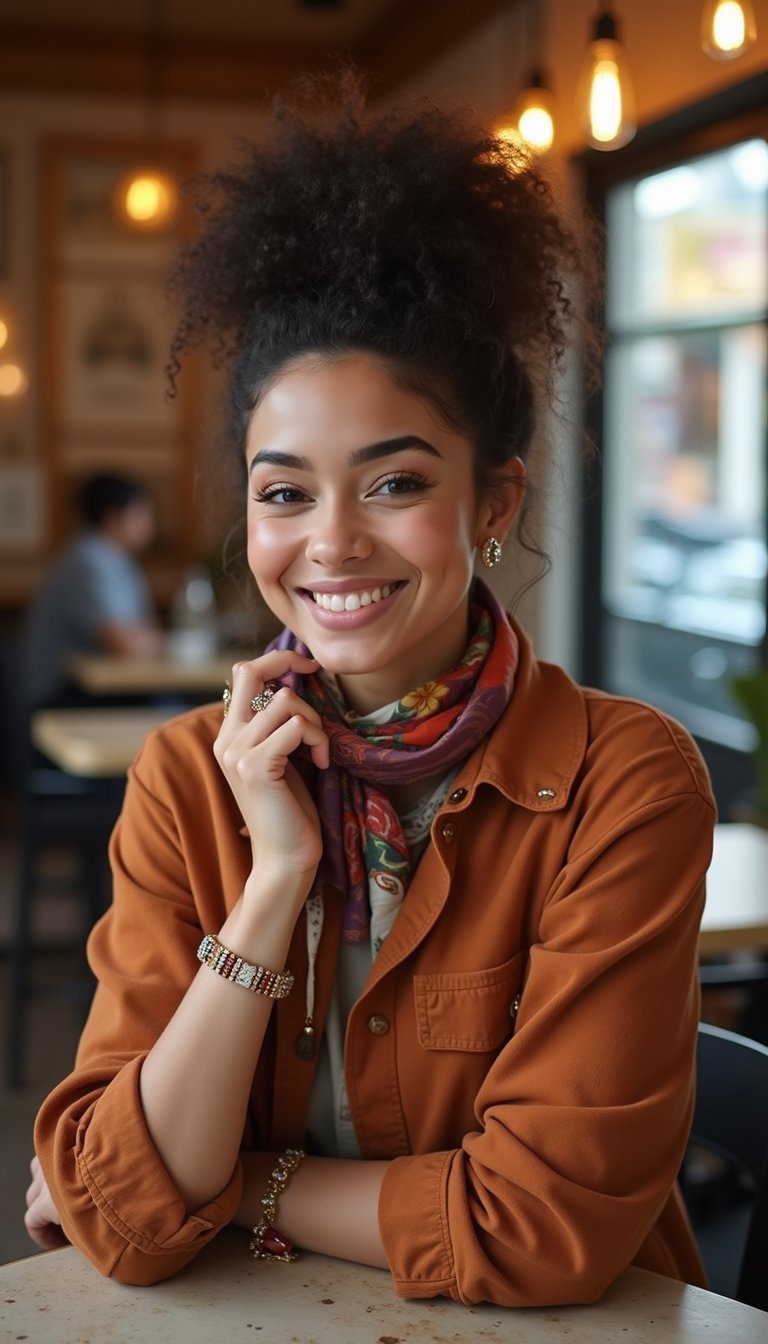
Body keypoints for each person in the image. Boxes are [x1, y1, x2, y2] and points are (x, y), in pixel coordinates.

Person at [25, 75, 716, 1306]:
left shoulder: (624, 777)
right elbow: (128, 1226)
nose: (331, 544)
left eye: (394, 484)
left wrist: (239, 1183)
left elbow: (539, 1228)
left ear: (493, 502)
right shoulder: (191, 776)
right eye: (285, 492)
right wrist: (275, 878)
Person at [21, 471, 163, 710]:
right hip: (60, 691)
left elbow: (148, 631)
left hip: (96, 688)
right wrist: (150, 641)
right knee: (171, 711)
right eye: (141, 513)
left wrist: (147, 640)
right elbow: (125, 645)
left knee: (173, 709)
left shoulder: (121, 561)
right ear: (114, 518)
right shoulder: (88, 560)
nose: (150, 522)